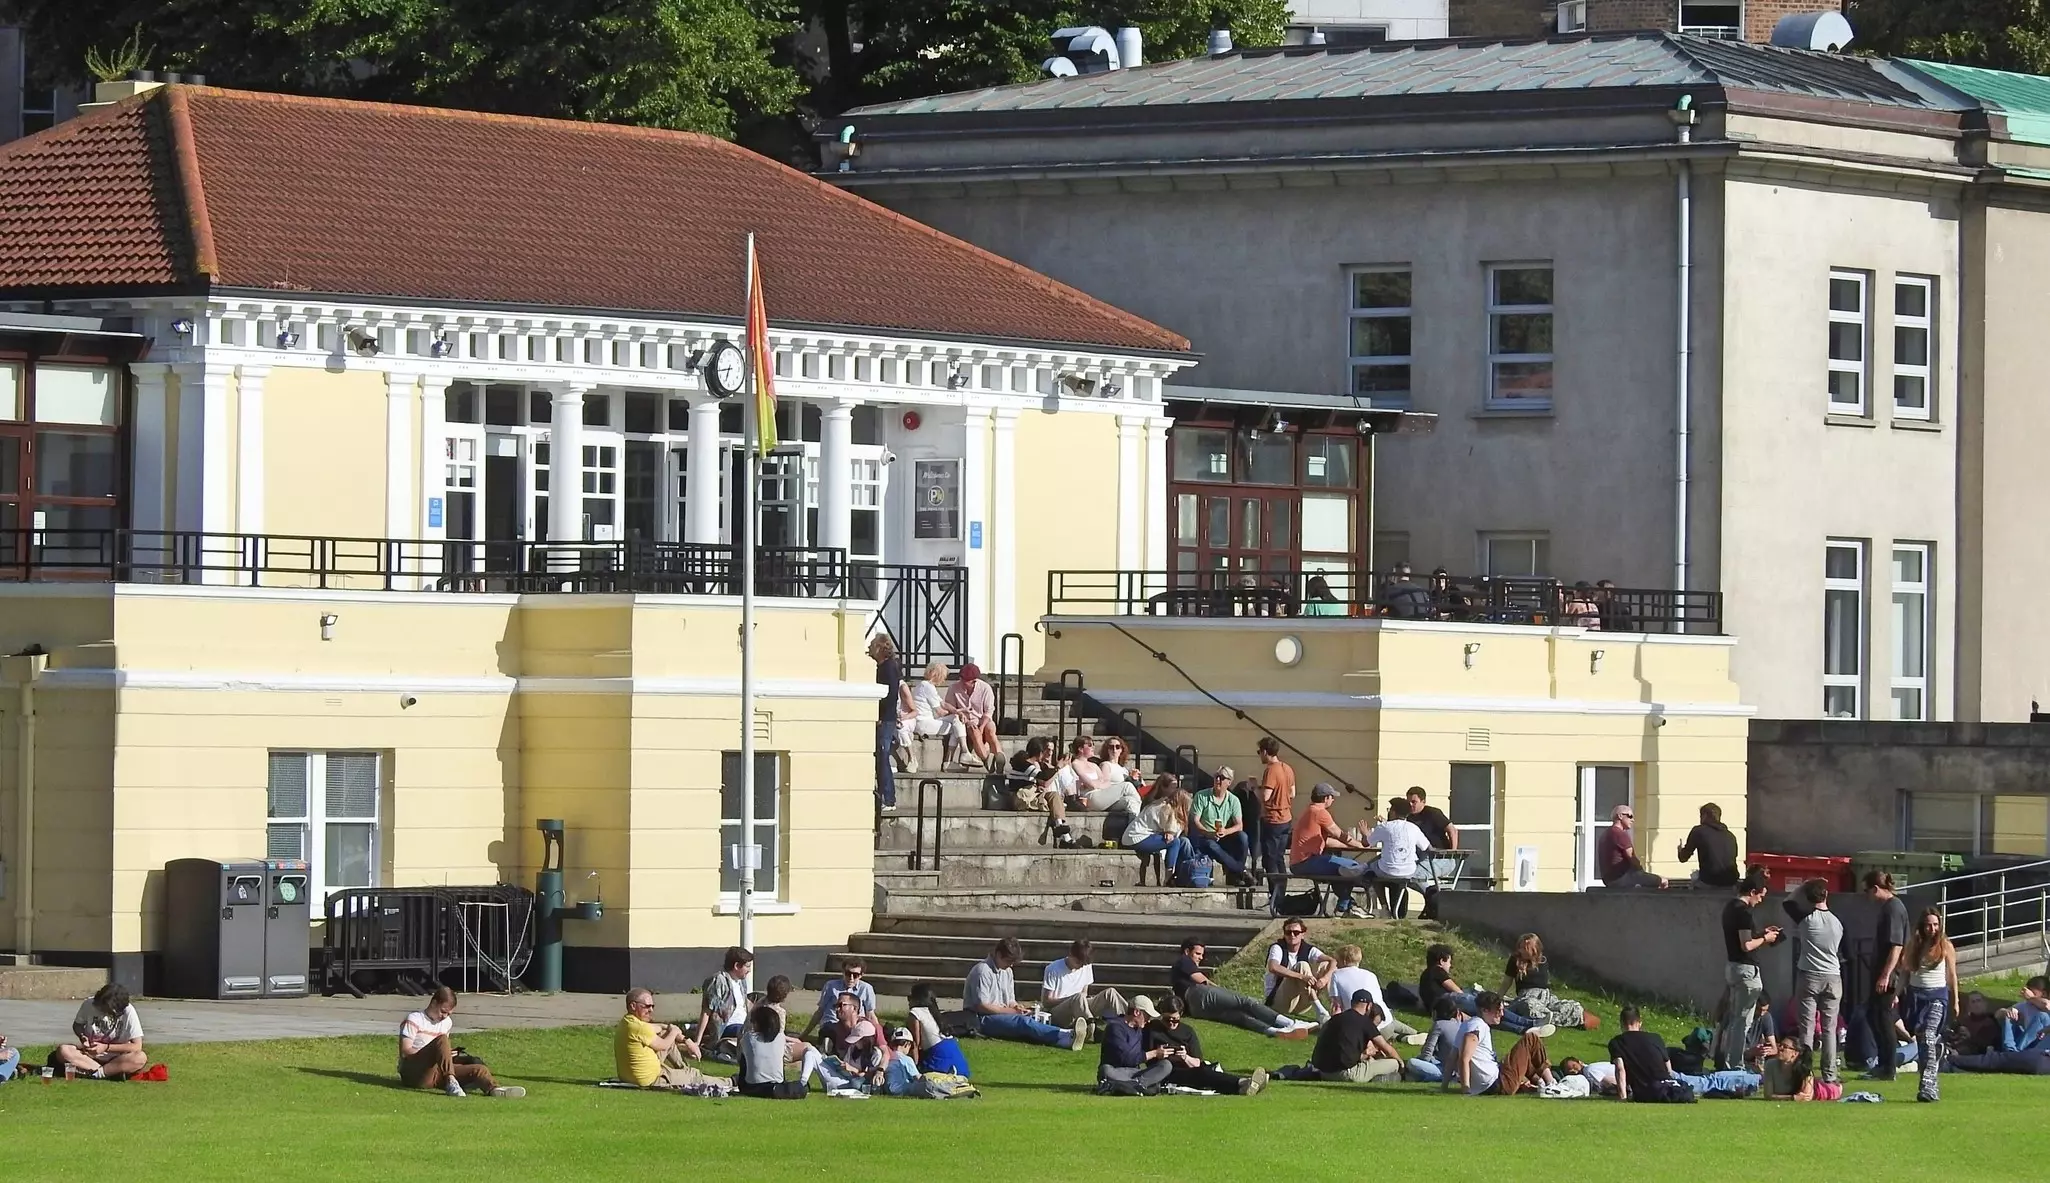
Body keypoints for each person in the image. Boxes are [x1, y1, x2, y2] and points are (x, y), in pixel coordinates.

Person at [388, 986, 524, 1098]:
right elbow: (406, 1052)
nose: (444, 1016)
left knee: (479, 1069)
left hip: (436, 1073)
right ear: (434, 1003)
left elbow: (442, 1049)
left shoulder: (447, 1023)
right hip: (414, 1072)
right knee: (441, 1040)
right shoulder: (415, 1019)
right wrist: (433, 1053)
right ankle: (451, 1081)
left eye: (448, 1014)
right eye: (443, 1011)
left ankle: (494, 1089)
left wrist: (447, 1055)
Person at [1172, 938, 1310, 1037]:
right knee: (1245, 1001)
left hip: (1195, 1009)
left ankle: (1275, 1032)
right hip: (1197, 993)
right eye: (1197, 953)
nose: (1200, 958)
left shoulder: (1180, 968)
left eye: (1202, 954)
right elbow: (1203, 981)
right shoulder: (1184, 961)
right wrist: (1220, 990)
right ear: (1186, 951)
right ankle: (1290, 1023)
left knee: (1239, 1017)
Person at [965, 937, 1084, 1049]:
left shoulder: (1007, 972)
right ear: (998, 954)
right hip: (981, 1019)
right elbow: (981, 1005)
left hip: (1001, 1014)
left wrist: (1017, 1007)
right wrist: (1013, 1012)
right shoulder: (982, 971)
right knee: (1022, 1022)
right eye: (1009, 961)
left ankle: (1064, 1034)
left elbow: (1010, 1000)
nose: (1011, 965)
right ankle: (1063, 1037)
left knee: (1033, 1016)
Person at [1717, 871, 1783, 1071]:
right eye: (1761, 895)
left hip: (1733, 967)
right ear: (1752, 892)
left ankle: (1726, 1061)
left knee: (1734, 1019)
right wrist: (1766, 939)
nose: (1761, 900)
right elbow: (1746, 945)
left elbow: (1742, 939)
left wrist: (1761, 933)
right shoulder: (1744, 912)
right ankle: (1735, 1064)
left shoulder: (1730, 907)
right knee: (1743, 1021)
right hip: (1747, 970)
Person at [617, 987, 731, 1092]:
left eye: (653, 1006)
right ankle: (731, 1082)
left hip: (635, 1075)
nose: (651, 1010)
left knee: (666, 1034)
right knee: (694, 1076)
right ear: (633, 1006)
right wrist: (675, 1032)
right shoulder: (639, 1028)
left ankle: (684, 1071)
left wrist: (687, 1041)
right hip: (651, 1079)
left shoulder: (628, 1022)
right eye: (647, 1006)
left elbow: (662, 1028)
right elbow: (664, 1045)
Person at [1788, 877, 1845, 1084]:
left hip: (1809, 975)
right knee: (1830, 1029)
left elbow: (1788, 902)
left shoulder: (1806, 919)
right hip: (1833, 976)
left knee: (1807, 1028)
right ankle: (1830, 1075)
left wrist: (1802, 887)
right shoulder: (1837, 923)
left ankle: (1805, 1073)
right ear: (1826, 895)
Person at [1419, 943, 1545, 1036]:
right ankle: (1529, 1022)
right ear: (1441, 961)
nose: (1450, 966)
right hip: (1448, 1000)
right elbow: (1454, 988)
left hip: (1441, 1008)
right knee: (1489, 1005)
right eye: (1449, 962)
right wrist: (1470, 997)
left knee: (1487, 1016)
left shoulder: (1426, 975)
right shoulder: (1436, 970)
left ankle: (1523, 1030)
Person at [1902, 906, 1957, 1102]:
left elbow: (1952, 975)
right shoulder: (1914, 945)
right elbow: (1906, 972)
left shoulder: (1945, 946)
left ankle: (1927, 1087)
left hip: (1937, 996)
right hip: (1916, 996)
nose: (1932, 929)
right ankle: (1929, 1083)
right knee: (1923, 1042)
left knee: (1929, 1036)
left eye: (1935, 925)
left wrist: (1955, 1000)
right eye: (1928, 925)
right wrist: (1898, 994)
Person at [1286, 783, 1369, 914]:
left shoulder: (1309, 810)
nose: (1333, 800)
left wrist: (1350, 845)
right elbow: (1338, 834)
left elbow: (1327, 841)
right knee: (1352, 866)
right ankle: (1346, 905)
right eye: (1332, 797)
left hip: (1299, 862)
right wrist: (1361, 845)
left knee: (1340, 869)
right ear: (1325, 798)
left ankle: (1346, 905)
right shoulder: (1320, 812)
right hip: (1307, 861)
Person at [1450, 992, 1554, 1095]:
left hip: (1492, 1083)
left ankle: (1540, 1083)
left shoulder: (1466, 1025)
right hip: (1498, 1083)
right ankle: (1551, 1083)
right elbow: (1464, 1058)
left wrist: (1444, 1086)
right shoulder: (1478, 1027)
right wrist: (1466, 1089)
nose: (1502, 1014)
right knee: (1531, 1038)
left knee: (1524, 1058)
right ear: (1484, 1010)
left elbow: (1452, 1056)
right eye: (1498, 1011)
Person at [1862, 870, 1910, 1080]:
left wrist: (1885, 975)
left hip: (1888, 975)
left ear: (1876, 888)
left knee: (1882, 1018)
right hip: (1883, 973)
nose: (1867, 896)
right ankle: (1883, 1063)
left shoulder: (1893, 908)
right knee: (1874, 1016)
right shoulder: (1888, 908)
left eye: (1867, 891)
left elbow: (1896, 946)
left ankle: (1888, 1067)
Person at [51, 983, 148, 1081]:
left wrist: (106, 1047)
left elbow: (136, 1046)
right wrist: (82, 1036)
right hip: (89, 1057)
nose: (103, 1011)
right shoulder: (89, 1004)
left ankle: (98, 1073)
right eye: (101, 1007)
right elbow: (77, 1025)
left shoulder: (129, 1012)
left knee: (140, 1058)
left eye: (107, 1010)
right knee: (63, 1050)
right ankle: (105, 1073)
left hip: (117, 1059)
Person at [1327, 945, 1423, 1042]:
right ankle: (1415, 1033)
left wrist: (1334, 1029)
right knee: (1390, 1022)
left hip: (1368, 1029)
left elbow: (1337, 1007)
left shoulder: (1336, 975)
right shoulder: (1370, 975)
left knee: (1378, 1034)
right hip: (1386, 1020)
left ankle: (1403, 1038)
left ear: (1343, 961)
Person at [1499, 933, 1593, 1030]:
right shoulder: (1515, 961)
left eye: (1525, 948)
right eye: (1520, 947)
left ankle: (1548, 1018)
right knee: (1529, 1005)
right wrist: (1499, 998)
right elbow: (1507, 982)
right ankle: (1548, 1019)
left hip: (1546, 997)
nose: (1521, 950)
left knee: (1573, 1007)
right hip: (1527, 997)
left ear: (1534, 949)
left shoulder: (1542, 960)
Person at [1311, 989, 1403, 1083]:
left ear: (1352, 1003)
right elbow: (1388, 1049)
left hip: (1323, 1073)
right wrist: (1401, 1064)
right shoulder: (1365, 1022)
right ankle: (1381, 1079)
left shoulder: (1334, 1019)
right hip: (1348, 1074)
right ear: (1369, 1006)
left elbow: (1344, 1054)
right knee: (1394, 1063)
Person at [1365, 798, 1433, 918]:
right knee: (1385, 870)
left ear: (1394, 812)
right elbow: (1427, 847)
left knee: (1370, 870)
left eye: (1390, 809)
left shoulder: (1385, 827)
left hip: (1386, 870)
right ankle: (1395, 911)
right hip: (1408, 871)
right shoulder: (1413, 828)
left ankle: (1384, 908)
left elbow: (1367, 843)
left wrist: (1366, 833)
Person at [739, 1003, 823, 1098]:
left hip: (751, 1086)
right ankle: (790, 1087)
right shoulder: (780, 1038)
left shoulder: (748, 1038)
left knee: (744, 1058)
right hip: (777, 1082)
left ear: (758, 1023)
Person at [1041, 939, 1131, 1028]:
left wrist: (1081, 999)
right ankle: (1091, 1027)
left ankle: (1131, 1020)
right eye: (1078, 963)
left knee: (1110, 993)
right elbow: (1046, 1002)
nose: (1080, 967)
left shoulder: (1086, 967)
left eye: (1083, 965)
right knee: (1078, 997)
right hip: (1059, 1013)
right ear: (1070, 954)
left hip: (1080, 1006)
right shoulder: (1053, 969)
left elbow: (1084, 992)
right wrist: (1072, 999)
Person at [1187, 767, 1253, 886]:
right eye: (1216, 777)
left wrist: (1226, 831)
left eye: (1221, 778)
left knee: (1243, 837)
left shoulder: (1233, 800)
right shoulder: (1202, 796)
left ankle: (1235, 874)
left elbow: (1239, 825)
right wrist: (1208, 833)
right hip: (1204, 836)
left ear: (1229, 782)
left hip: (1223, 836)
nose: (1217, 780)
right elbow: (1195, 821)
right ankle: (1241, 871)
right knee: (1211, 845)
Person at [1608, 1005, 1684, 1102]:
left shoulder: (1617, 1042)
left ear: (1622, 1023)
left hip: (1645, 1091)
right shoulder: (1656, 1038)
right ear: (1639, 1023)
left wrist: (1623, 1096)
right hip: (1667, 1088)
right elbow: (1668, 1069)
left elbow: (1620, 1069)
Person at [870, 634, 911, 811]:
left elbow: (889, 695)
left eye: (872, 645)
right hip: (884, 718)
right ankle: (885, 797)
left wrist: (880, 715)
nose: (870, 648)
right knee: (880, 757)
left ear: (880, 648)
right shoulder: (884, 667)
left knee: (883, 756)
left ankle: (888, 798)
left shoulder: (888, 668)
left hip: (885, 719)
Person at [1122, 777, 1192, 880]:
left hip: (1142, 836)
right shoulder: (1165, 809)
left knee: (1184, 842)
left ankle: (1191, 870)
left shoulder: (1164, 805)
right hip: (1136, 837)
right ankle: (1169, 876)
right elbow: (1171, 835)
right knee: (1175, 842)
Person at [1098, 996, 1173, 1091]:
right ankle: (1140, 1086)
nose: (1148, 1020)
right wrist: (1154, 1053)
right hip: (1118, 1071)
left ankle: (1129, 1086)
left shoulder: (1141, 1029)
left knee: (1166, 1065)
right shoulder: (1115, 1028)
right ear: (1137, 1012)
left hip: (1135, 1073)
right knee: (1106, 1070)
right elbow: (1127, 1058)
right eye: (1147, 1016)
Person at [1265, 920, 1336, 1020]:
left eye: (1296, 933)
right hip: (1279, 1003)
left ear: (1303, 934)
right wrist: (1302, 976)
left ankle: (1336, 1008)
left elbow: (1333, 961)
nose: (1292, 935)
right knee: (1302, 965)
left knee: (1326, 964)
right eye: (1288, 932)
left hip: (1300, 1002)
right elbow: (1273, 967)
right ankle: (1321, 1012)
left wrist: (1324, 979)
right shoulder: (1277, 948)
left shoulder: (1308, 949)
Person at [901, 661, 964, 771]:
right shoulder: (928, 687)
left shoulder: (922, 685)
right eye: (942, 676)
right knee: (957, 726)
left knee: (957, 720)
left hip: (922, 721)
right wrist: (954, 714)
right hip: (924, 723)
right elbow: (940, 711)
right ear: (937, 675)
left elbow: (943, 703)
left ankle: (959, 755)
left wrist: (957, 711)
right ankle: (950, 761)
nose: (943, 680)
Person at [941, 661, 1002, 771]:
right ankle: (987, 760)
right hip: (965, 721)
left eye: (966, 681)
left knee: (990, 731)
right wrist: (961, 716)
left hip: (983, 719)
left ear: (974, 681)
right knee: (975, 731)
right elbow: (949, 708)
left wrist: (982, 726)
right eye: (962, 679)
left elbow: (988, 711)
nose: (963, 682)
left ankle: (999, 757)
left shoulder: (985, 688)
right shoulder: (953, 688)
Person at [1404, 786, 1460, 898]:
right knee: (1402, 875)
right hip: (1420, 857)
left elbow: (1452, 830)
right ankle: (1432, 897)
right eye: (1408, 802)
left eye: (1414, 802)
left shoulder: (1433, 813)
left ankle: (1434, 899)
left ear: (1423, 801)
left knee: (1414, 876)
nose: (1410, 805)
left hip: (1439, 857)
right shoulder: (1408, 817)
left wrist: (1452, 853)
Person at [906, 981, 971, 1076]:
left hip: (938, 1061)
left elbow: (914, 1045)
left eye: (910, 997)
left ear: (916, 999)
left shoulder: (915, 1013)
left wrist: (913, 1071)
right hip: (959, 1063)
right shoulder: (935, 1013)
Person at [805, 959, 878, 1043]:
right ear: (843, 972)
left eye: (855, 975)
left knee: (861, 1032)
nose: (851, 978)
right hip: (833, 1023)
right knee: (829, 1032)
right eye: (848, 973)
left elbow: (870, 1015)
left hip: (854, 1025)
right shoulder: (831, 986)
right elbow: (820, 1011)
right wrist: (804, 1035)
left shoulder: (866, 988)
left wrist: (878, 1038)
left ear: (861, 975)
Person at [1255, 737, 1297, 881]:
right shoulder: (1287, 768)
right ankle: (1280, 897)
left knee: (1270, 859)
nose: (1259, 755)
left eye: (1259, 752)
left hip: (1272, 820)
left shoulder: (1271, 771)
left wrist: (1254, 787)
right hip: (1286, 819)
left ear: (1265, 752)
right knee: (1279, 858)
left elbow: (1265, 797)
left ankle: (1275, 896)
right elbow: (1292, 793)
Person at [694, 946, 753, 1048]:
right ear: (736, 966)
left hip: (743, 1024)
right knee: (751, 1032)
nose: (749, 970)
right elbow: (707, 1010)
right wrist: (697, 1042)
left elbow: (744, 1003)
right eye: (747, 966)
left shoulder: (741, 981)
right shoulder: (718, 981)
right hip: (728, 1027)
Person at [1597, 804, 1665, 889]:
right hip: (1622, 878)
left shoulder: (1606, 833)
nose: (1632, 820)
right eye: (1630, 816)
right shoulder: (1619, 833)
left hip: (1609, 880)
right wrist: (1642, 872)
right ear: (1620, 816)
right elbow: (1632, 857)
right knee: (1661, 881)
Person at [1404, 995, 1470, 1083]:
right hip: (1463, 1069)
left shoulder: (1439, 1025)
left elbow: (1427, 1054)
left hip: (1447, 1070)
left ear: (1435, 1012)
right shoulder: (1460, 1024)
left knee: (1412, 1063)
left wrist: (1420, 1060)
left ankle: (1435, 1078)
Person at [1676, 802, 1740, 888]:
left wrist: (1680, 850)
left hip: (1710, 881)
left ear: (1705, 816)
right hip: (1731, 882)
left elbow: (1683, 858)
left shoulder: (1698, 831)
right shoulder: (1730, 835)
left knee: (1691, 887)